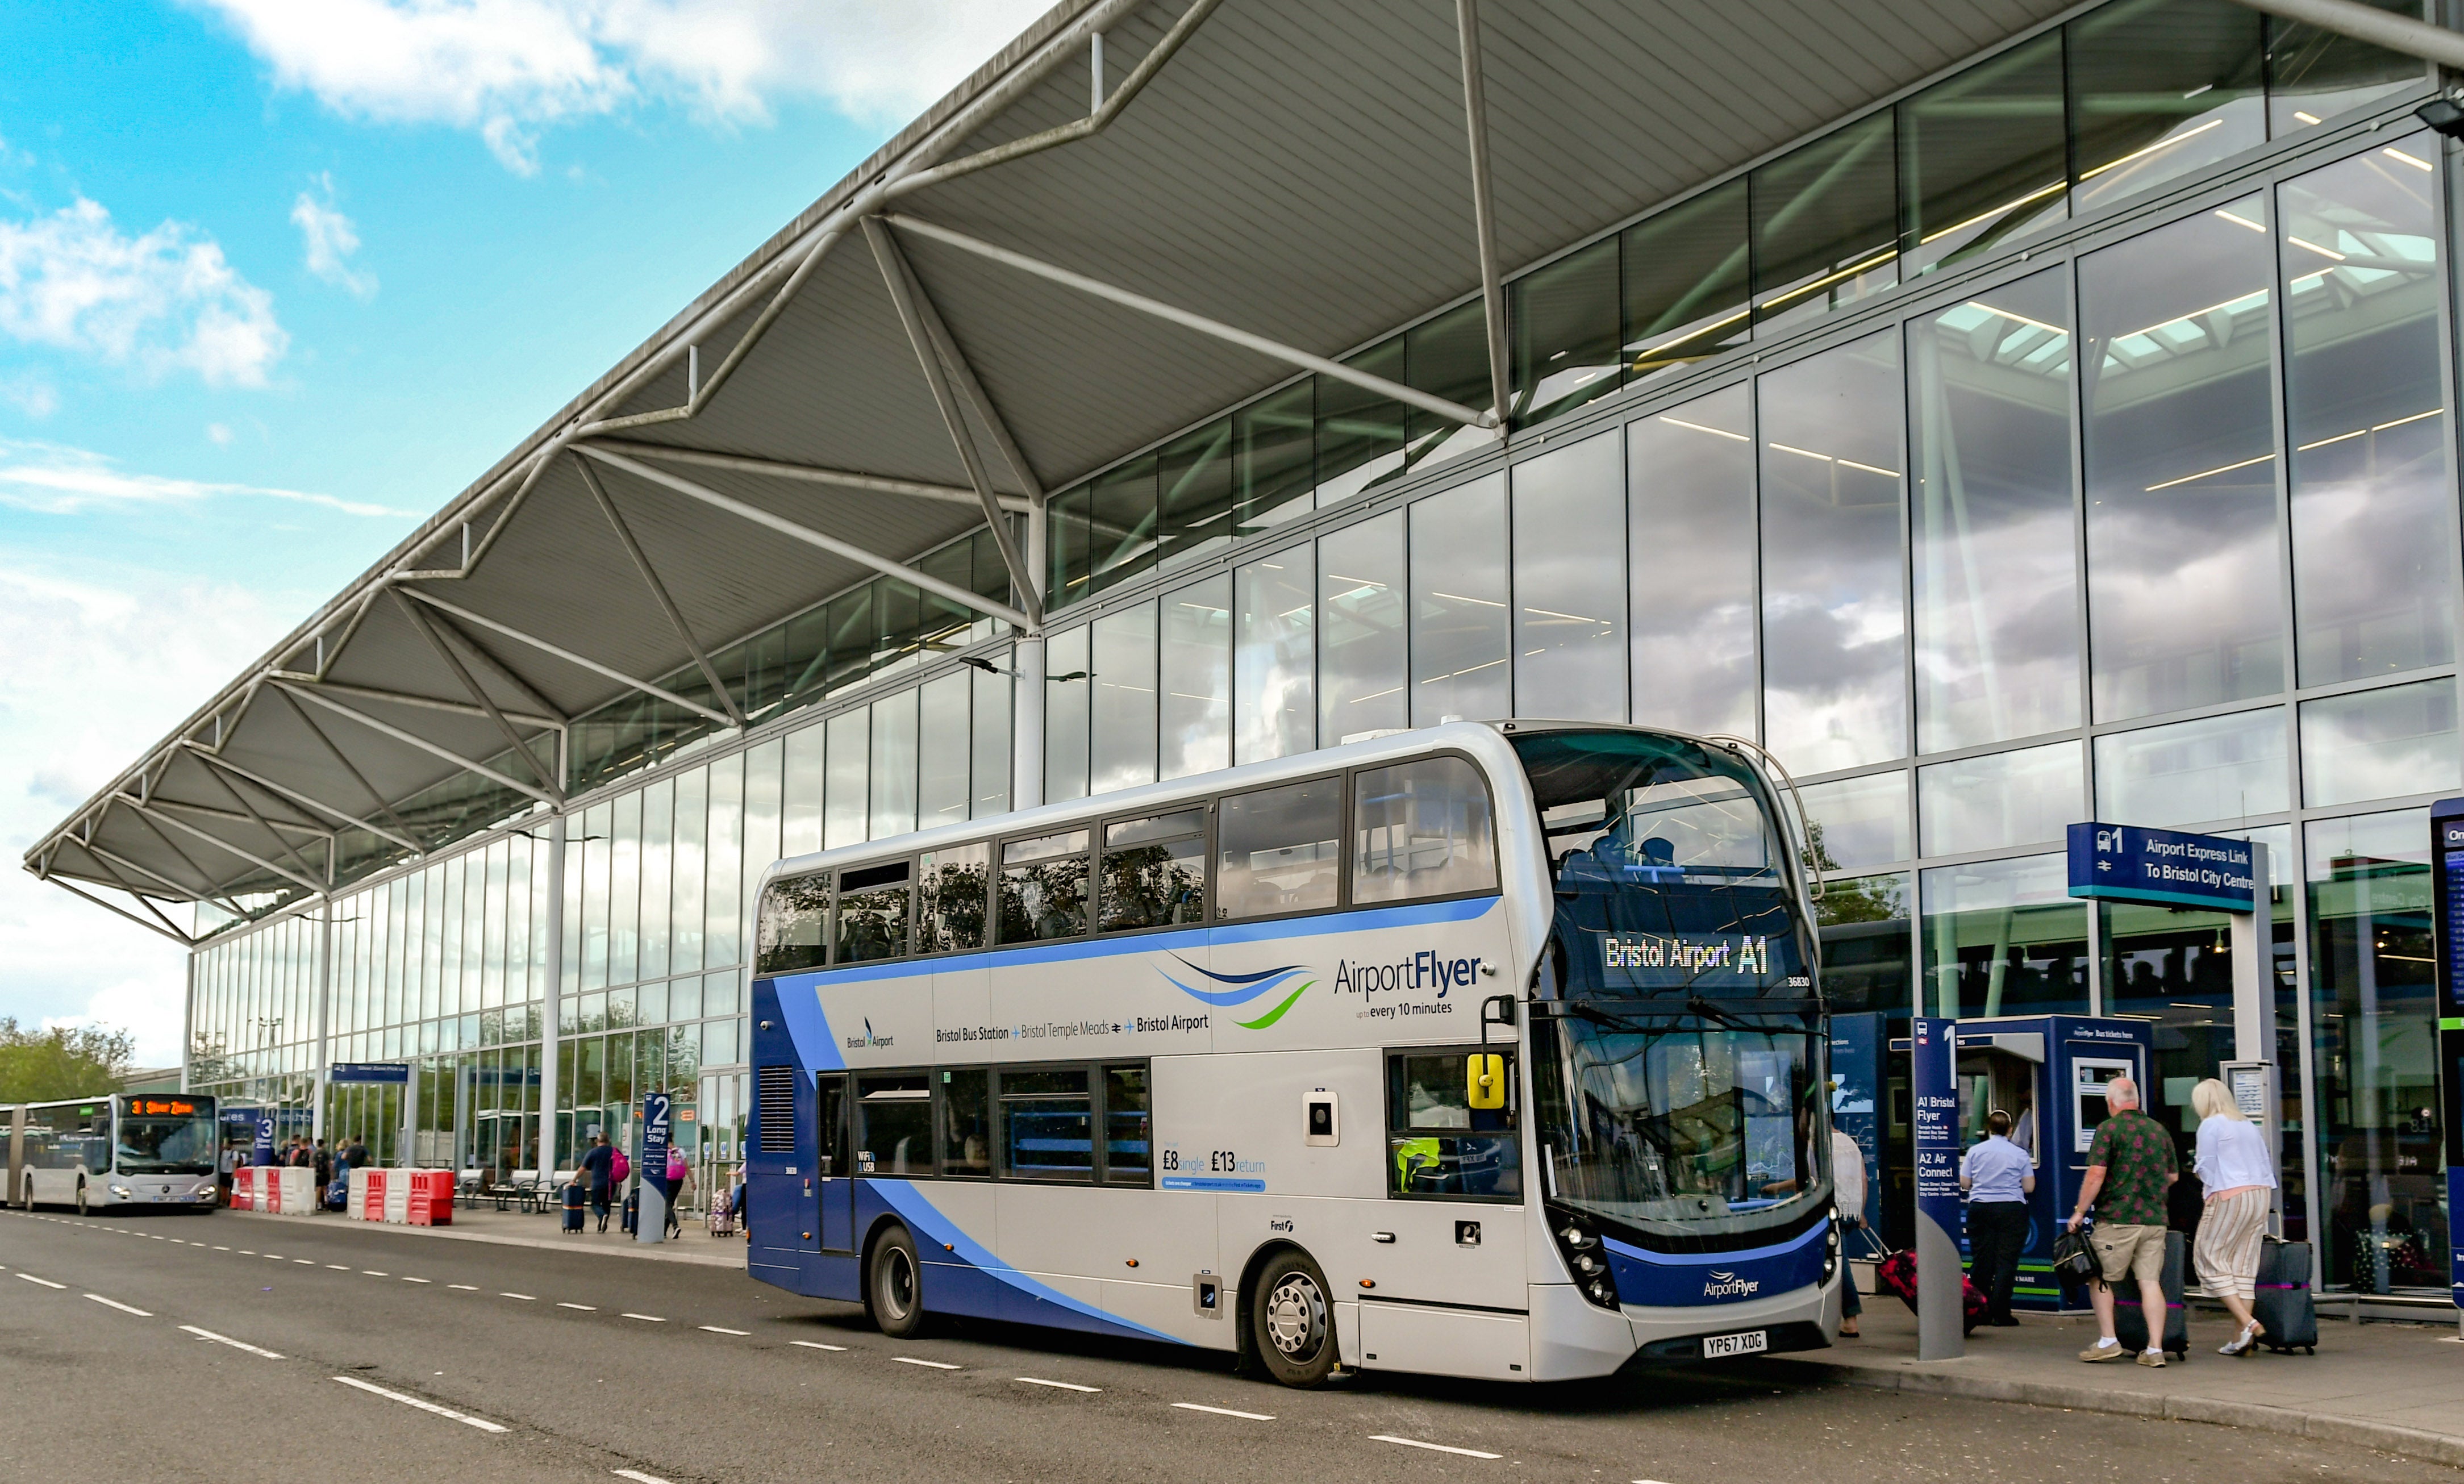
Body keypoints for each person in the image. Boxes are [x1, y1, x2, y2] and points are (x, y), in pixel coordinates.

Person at [2066, 1076, 2179, 1366]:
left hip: (2118, 1219)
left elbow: (2096, 1174)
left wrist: (2080, 1211)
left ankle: (2108, 1340)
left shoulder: (2108, 1129)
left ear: (2111, 1102)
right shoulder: (2159, 1130)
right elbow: (2173, 1176)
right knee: (2151, 1282)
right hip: (2155, 1221)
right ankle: (2154, 1349)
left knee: (2099, 1277)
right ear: (2136, 1101)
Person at [2190, 1078, 2277, 1356]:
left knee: (2208, 1257)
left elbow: (2206, 1165)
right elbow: (2265, 1161)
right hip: (2261, 1194)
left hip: (2230, 1194)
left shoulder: (2211, 1124)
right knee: (2244, 1264)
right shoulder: (2247, 1124)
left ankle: (2249, 1323)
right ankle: (2241, 1337)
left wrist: (2209, 1188)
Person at [1960, 1109, 2035, 1326]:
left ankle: (1980, 1310)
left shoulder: (1975, 1151)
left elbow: (1965, 1183)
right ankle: (2001, 1314)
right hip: (2011, 1210)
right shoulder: (2020, 1154)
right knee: (2006, 1262)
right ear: (2010, 1130)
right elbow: (2029, 1187)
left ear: (1989, 1129)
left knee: (1982, 1260)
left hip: (1980, 1209)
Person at [1830, 1124, 1869, 1337]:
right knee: (1839, 1262)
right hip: (1850, 1212)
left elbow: (1811, 1179)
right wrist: (1861, 1212)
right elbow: (1863, 1180)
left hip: (1832, 1211)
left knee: (1840, 1265)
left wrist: (1779, 1188)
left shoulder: (1818, 1144)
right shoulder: (1850, 1143)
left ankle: (1851, 1317)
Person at [579, 1133, 615, 1233]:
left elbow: (583, 1168)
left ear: (597, 1141)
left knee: (595, 1204)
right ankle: (601, 1225)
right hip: (611, 1183)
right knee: (607, 1204)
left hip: (597, 1183)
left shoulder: (593, 1152)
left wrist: (574, 1179)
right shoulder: (614, 1152)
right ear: (609, 1141)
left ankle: (601, 1216)